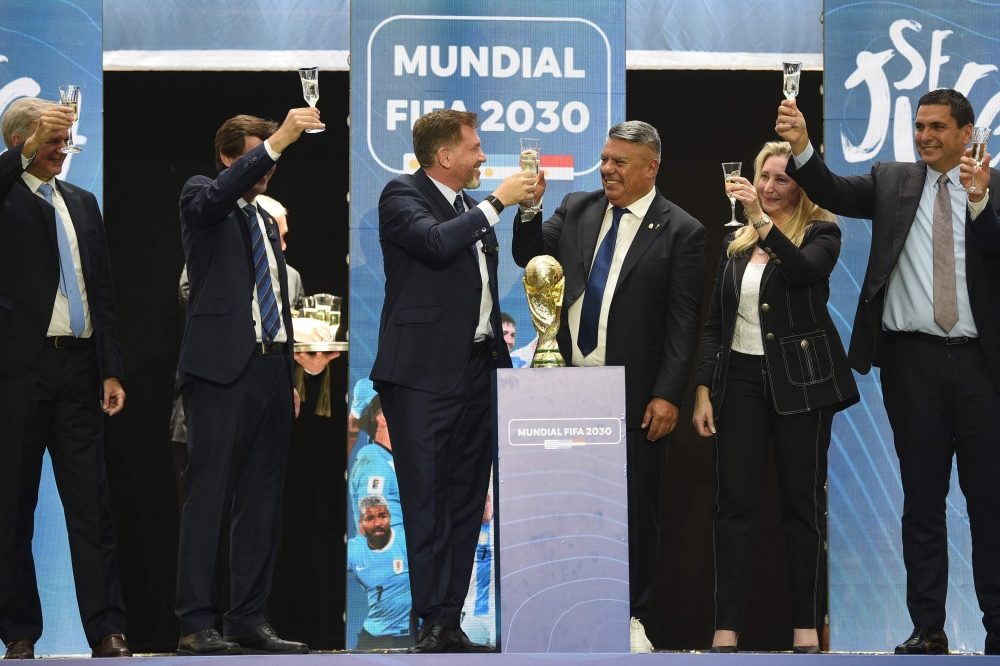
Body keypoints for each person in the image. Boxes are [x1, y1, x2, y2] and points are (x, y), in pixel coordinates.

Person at [777, 89, 1000, 656]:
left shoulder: (994, 189)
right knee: (922, 501)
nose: (924, 136)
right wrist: (801, 145)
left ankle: (999, 623)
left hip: (983, 367)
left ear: (968, 132)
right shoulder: (892, 180)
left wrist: (979, 204)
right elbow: (829, 191)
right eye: (919, 125)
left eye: (937, 127)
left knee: (989, 501)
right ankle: (928, 627)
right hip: (912, 363)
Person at [511, 120, 706, 653]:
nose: (608, 169)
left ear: (651, 168)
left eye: (621, 161)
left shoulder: (681, 230)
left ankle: (633, 615)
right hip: (568, 386)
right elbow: (529, 257)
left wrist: (669, 393)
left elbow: (683, 322)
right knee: (564, 501)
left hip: (635, 393)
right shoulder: (577, 207)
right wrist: (528, 210)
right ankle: (556, 604)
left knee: (636, 507)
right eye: (605, 158)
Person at [371, 108, 534, 653]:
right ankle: (427, 620)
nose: (484, 156)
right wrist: (500, 201)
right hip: (419, 378)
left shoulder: (469, 206)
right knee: (426, 501)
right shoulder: (402, 196)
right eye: (475, 147)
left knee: (466, 502)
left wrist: (522, 210)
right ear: (445, 156)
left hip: (479, 373)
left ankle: (448, 620)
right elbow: (438, 244)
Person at [692, 141, 860, 653]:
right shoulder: (736, 241)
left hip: (802, 381)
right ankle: (726, 628)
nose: (767, 187)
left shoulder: (823, 232)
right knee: (733, 505)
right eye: (763, 176)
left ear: (803, 186)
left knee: (801, 505)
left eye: (781, 179)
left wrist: (761, 222)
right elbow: (713, 323)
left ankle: (806, 627)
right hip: (738, 380)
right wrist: (703, 388)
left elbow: (803, 272)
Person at [174, 107, 323, 656]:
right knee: (208, 497)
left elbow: (276, 302)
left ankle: (247, 617)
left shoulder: (265, 219)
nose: (269, 167)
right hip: (220, 371)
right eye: (256, 155)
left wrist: (289, 375)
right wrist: (279, 140)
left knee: (262, 501)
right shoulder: (202, 197)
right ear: (227, 156)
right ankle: (194, 621)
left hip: (269, 370)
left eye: (273, 156)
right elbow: (218, 197)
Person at [0, 97, 131, 659]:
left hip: (80, 369)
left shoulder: (82, 202)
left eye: (64, 140)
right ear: (24, 141)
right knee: (11, 509)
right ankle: (19, 633)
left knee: (91, 507)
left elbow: (101, 291)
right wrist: (19, 153)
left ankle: (106, 630)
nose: (63, 150)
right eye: (52, 141)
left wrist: (112, 369)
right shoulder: (5, 195)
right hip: (18, 371)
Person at [347, 495, 412, 649]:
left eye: (382, 516)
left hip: (409, 636)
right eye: (370, 518)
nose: (377, 523)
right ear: (361, 524)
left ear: (390, 518)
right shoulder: (354, 550)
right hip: (373, 635)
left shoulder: (406, 541)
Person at [348, 396, 402, 536]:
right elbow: (373, 532)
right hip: (388, 556)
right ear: (383, 418)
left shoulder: (388, 459)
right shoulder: (374, 461)